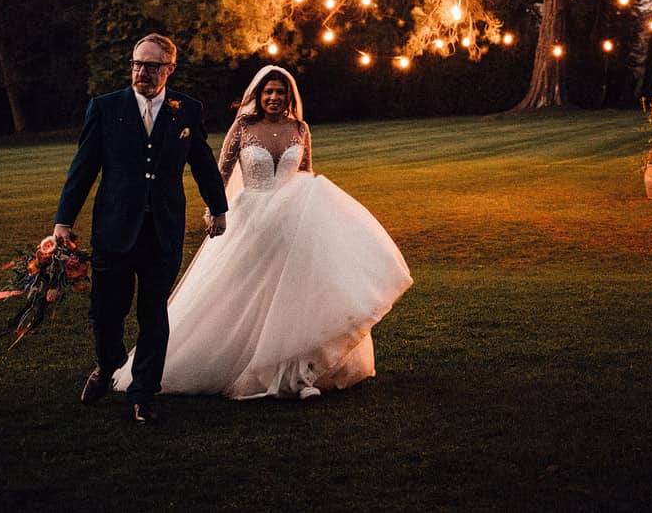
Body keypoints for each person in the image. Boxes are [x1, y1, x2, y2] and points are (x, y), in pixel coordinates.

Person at [111, 64, 413, 400]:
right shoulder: (243, 126)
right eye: (267, 92)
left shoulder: (300, 128)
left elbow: (307, 173)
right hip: (250, 220)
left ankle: (301, 375)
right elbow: (220, 173)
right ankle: (237, 361)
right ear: (257, 95)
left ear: (288, 97)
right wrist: (214, 209)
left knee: (297, 296)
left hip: (294, 222)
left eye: (279, 92)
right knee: (246, 294)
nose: (273, 97)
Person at [53, 33, 229, 424]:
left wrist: (218, 207)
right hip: (113, 228)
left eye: (151, 65)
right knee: (105, 312)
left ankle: (143, 393)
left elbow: (201, 161)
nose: (141, 72)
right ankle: (109, 362)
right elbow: (83, 168)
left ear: (170, 68)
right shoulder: (105, 107)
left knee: (154, 314)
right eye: (136, 64)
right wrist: (63, 220)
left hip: (162, 230)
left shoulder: (187, 110)